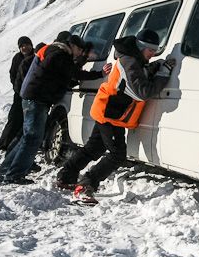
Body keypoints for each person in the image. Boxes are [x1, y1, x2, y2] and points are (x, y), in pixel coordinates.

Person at [57, 28, 176, 206]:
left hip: (110, 111)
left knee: (94, 148)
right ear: (141, 47)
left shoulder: (133, 59)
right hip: (111, 113)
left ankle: (66, 176)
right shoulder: (129, 61)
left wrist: (155, 66)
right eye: (151, 50)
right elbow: (142, 91)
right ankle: (86, 185)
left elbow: (139, 75)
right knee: (118, 154)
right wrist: (163, 73)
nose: (152, 54)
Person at [0, 33, 102, 183]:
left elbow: (63, 75)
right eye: (79, 50)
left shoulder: (53, 51)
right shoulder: (59, 55)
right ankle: (14, 175)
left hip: (32, 97)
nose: (80, 53)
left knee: (28, 137)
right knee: (33, 138)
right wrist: (99, 73)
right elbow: (73, 73)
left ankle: (7, 168)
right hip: (38, 99)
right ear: (72, 46)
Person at [0, 36, 34, 151]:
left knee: (30, 120)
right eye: (22, 46)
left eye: (27, 45)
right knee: (14, 118)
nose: (24, 47)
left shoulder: (36, 57)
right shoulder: (17, 58)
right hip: (19, 94)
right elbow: (12, 74)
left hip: (33, 94)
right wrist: (17, 88)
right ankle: (4, 144)